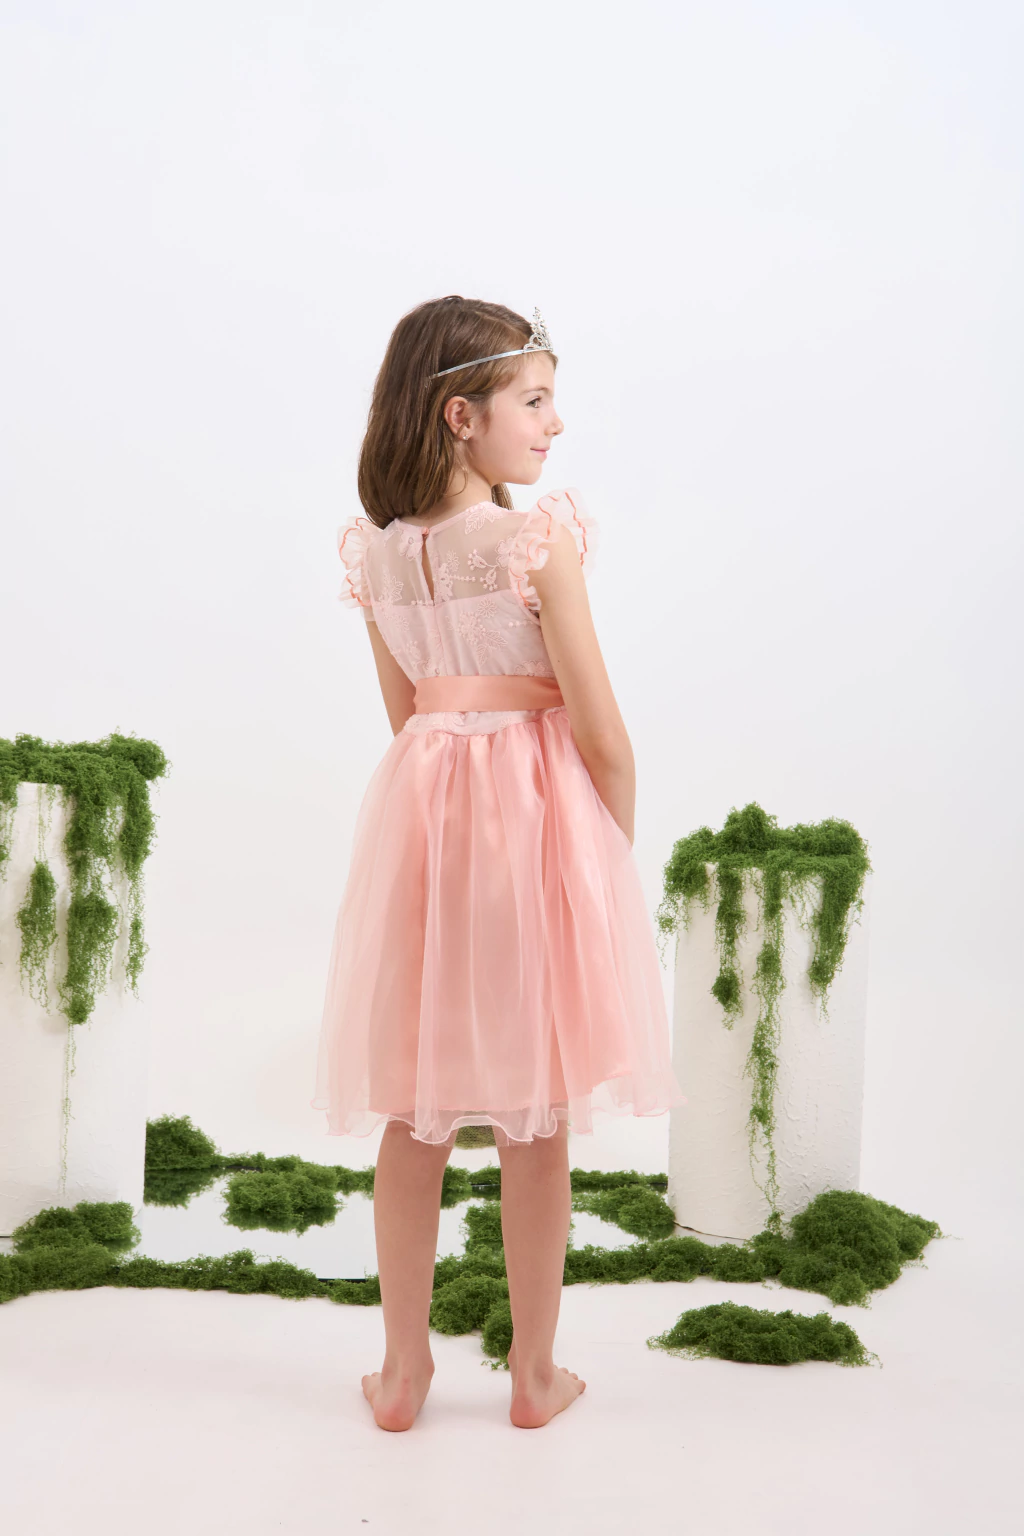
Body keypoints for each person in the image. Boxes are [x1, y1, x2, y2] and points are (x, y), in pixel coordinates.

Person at [311, 295, 685, 1432]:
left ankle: (401, 1373)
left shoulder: (379, 555)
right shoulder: (534, 540)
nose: (554, 423)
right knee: (534, 1116)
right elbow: (601, 730)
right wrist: (605, 854)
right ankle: (533, 1375)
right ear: (460, 415)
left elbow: (409, 716)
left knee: (415, 1108)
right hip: (536, 827)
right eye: (535, 400)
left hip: (422, 826)